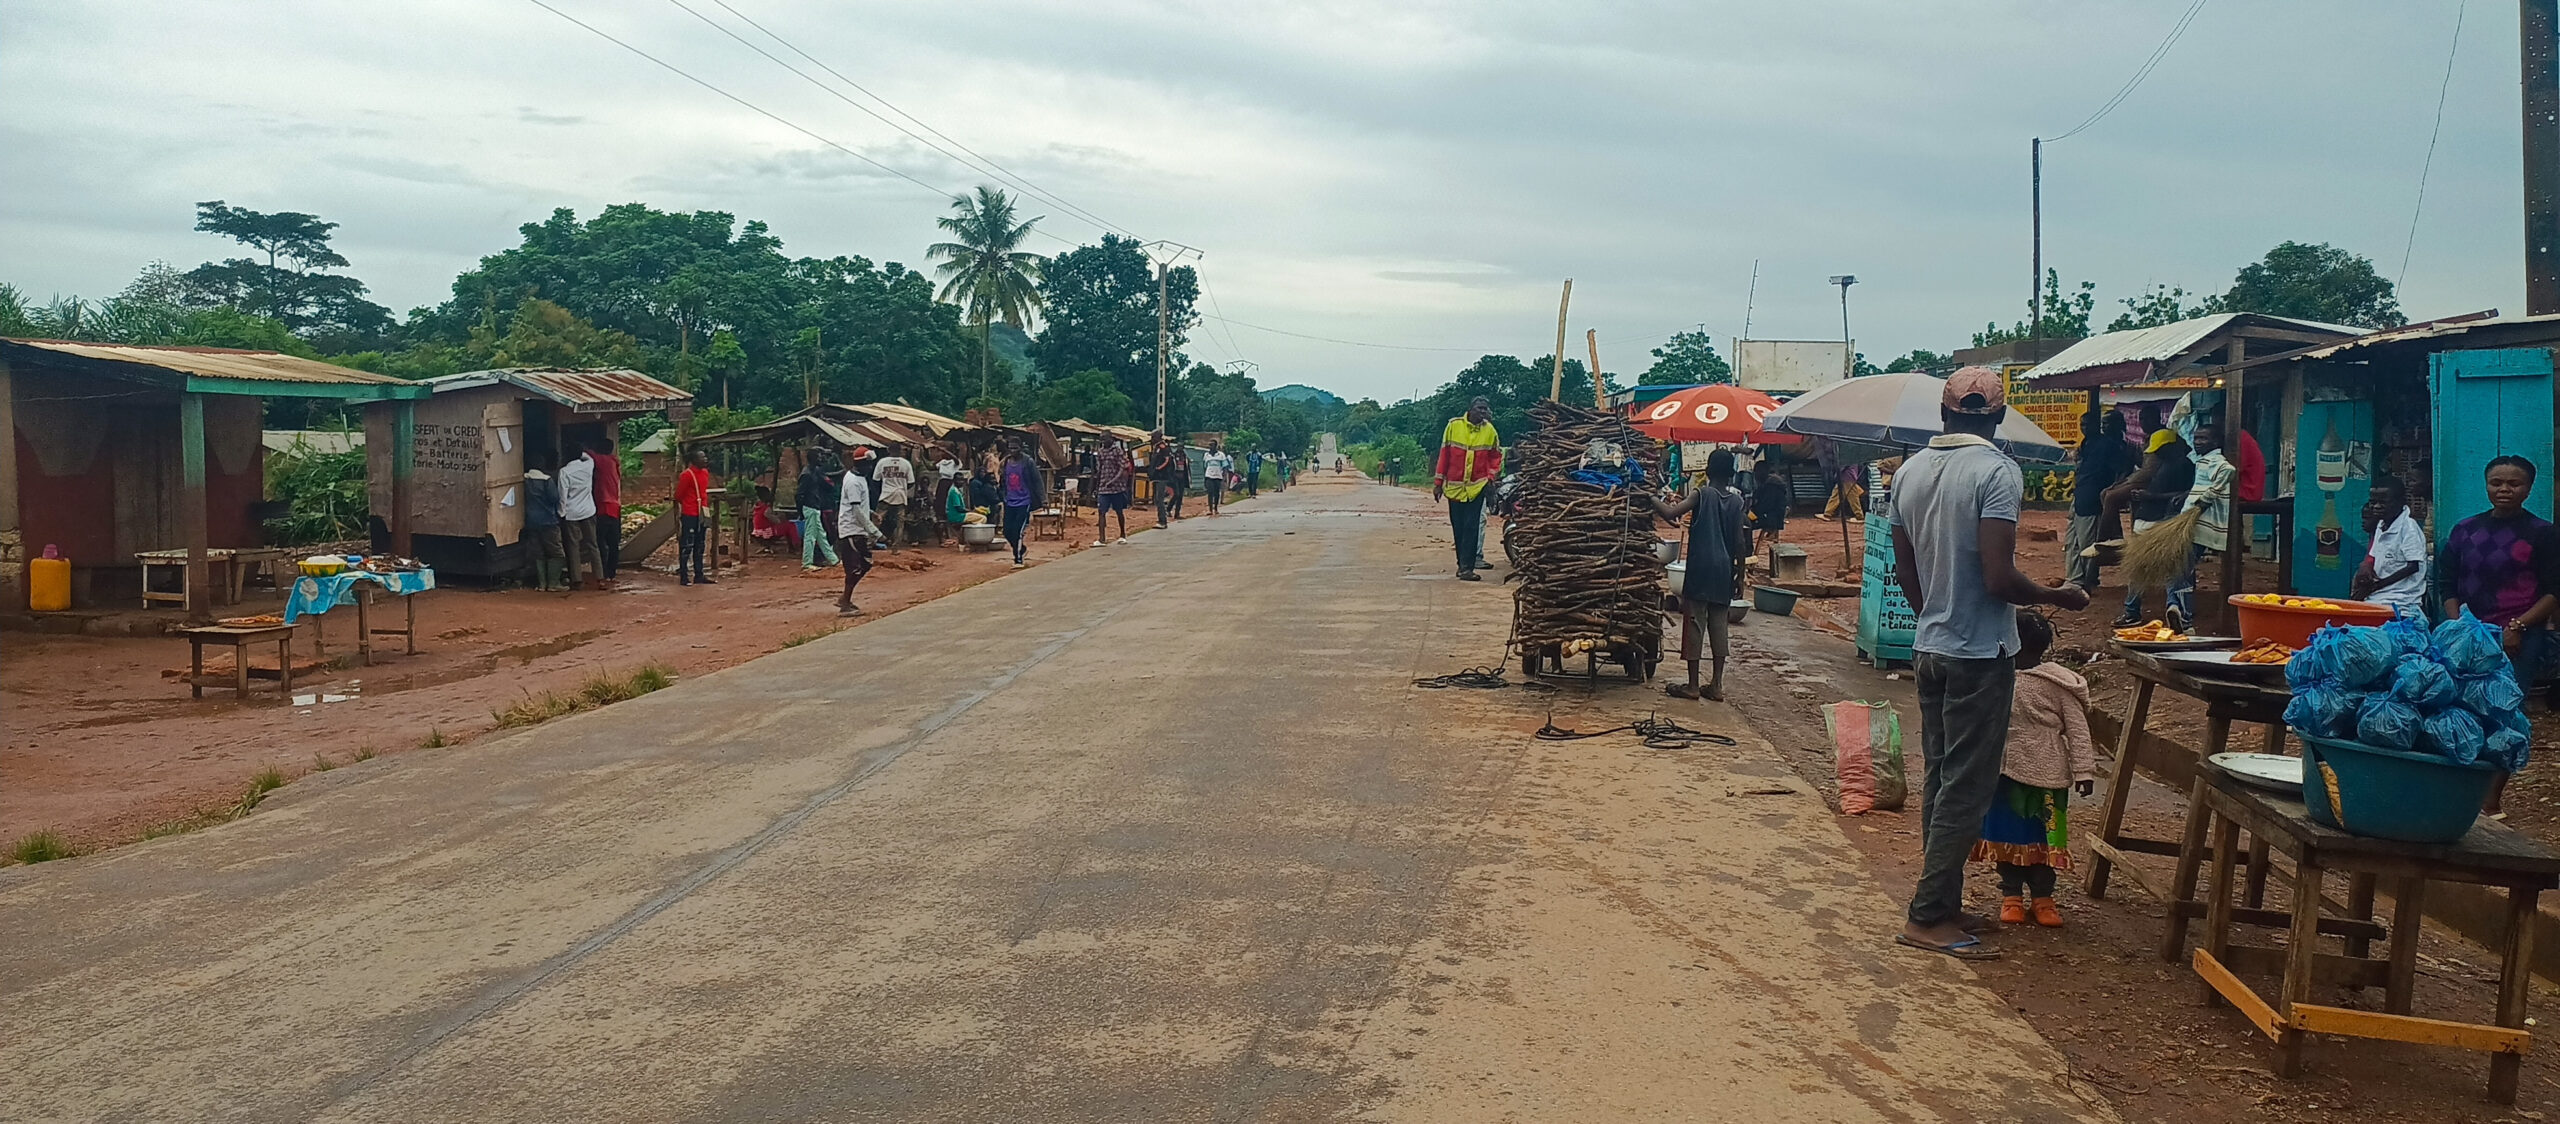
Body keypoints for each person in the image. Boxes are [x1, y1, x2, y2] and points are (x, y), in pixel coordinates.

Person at [1889, 368, 2090, 961]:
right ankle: (1928, 916)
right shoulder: (1997, 471)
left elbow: (1908, 577)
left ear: (1943, 413)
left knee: (1940, 777)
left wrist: (1938, 618)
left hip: (1931, 648)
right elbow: (1999, 576)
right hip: (1978, 656)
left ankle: (1942, 900)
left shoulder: (1907, 473)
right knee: (1967, 788)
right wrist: (2058, 596)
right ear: (1997, 418)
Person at [2442, 455, 2560, 814]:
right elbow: (2446, 581)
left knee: (2505, 716)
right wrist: (2460, 624)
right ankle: (2457, 796)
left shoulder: (2543, 533)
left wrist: (2519, 626)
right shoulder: (2465, 530)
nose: (2504, 489)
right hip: (2468, 637)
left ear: (2528, 488)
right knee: (2459, 710)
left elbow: (2554, 591)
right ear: (2486, 484)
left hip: (2519, 639)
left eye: (2514, 484)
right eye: (2497, 483)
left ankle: (2491, 803)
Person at [1970, 610, 2095, 929]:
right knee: (2004, 836)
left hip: (2047, 778)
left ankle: (2042, 897)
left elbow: (2077, 729)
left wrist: (2084, 770)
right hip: (2002, 774)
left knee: (2044, 840)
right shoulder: (1996, 677)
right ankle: (2011, 895)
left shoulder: (2057, 685)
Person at [1651, 448, 1749, 700]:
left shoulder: (1702, 494)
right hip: (1724, 570)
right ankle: (1716, 684)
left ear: (1707, 470)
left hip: (1700, 568)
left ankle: (1693, 685)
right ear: (1731, 473)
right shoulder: (1737, 502)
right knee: (1719, 625)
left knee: (1694, 623)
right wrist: (1740, 575)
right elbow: (1740, 542)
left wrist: (1646, 497)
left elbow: (1671, 513)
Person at [2110, 427, 2196, 629]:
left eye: (2162, 449)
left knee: (2167, 568)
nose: (2158, 453)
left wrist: (2152, 497)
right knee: (2149, 568)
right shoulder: (2164, 463)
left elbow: (2185, 493)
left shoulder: (2185, 465)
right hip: (2149, 520)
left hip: (2162, 522)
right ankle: (2143, 610)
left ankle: (2170, 608)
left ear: (2173, 446)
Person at [1431, 396, 1502, 581]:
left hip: (1477, 487)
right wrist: (1438, 483)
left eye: (1485, 409)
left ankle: (1467, 568)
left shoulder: (1490, 431)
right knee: (1459, 526)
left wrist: (1490, 477)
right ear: (1470, 409)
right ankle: (1461, 563)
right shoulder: (1453, 426)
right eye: (1479, 408)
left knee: (1472, 526)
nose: (1483, 412)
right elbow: (1444, 455)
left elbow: (1496, 456)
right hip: (1454, 487)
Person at [2065, 411, 2133, 591]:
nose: (2084, 428)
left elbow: (2123, 469)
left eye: (2088, 425)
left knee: (2087, 543)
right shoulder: (2086, 444)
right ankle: (2075, 578)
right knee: (2072, 541)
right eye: (2082, 425)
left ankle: (2087, 581)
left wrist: (2111, 490)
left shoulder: (2108, 445)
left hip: (2092, 497)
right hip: (2080, 494)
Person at [2353, 476, 2429, 619]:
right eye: (2373, 502)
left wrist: (2376, 586)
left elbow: (2413, 566)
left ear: (2400, 502)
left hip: (2401, 604)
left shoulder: (2408, 527)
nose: (2376, 507)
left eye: (2383, 503)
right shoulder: (2381, 527)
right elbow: (2374, 558)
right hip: (2378, 599)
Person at [834, 446, 880, 616]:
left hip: (858, 528)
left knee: (865, 563)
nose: (870, 468)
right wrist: (874, 530)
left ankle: (844, 598)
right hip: (851, 529)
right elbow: (856, 510)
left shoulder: (858, 478)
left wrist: (871, 513)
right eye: (868, 465)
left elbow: (859, 506)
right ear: (861, 465)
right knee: (855, 567)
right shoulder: (853, 481)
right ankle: (845, 603)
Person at [557, 442, 602, 592]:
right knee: (593, 545)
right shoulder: (588, 465)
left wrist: (561, 513)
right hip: (588, 510)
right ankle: (600, 578)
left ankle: (577, 580)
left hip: (571, 513)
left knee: (573, 546)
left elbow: (563, 496)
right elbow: (587, 456)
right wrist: (581, 450)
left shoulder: (564, 472)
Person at [999, 437, 1044, 568]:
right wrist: (1003, 495)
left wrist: (1043, 499)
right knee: (1007, 531)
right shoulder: (1006, 462)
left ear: (1020, 448)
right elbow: (1003, 481)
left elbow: (1037, 480)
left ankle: (1018, 558)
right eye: (1010, 448)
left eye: (1015, 448)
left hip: (1024, 501)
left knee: (1018, 530)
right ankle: (1021, 549)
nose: (1013, 451)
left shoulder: (1028, 462)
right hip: (1010, 501)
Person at [797, 449, 842, 572]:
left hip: (815, 506)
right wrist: (800, 512)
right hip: (810, 507)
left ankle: (833, 559)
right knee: (810, 536)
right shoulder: (806, 474)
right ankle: (807, 563)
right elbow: (799, 494)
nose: (821, 458)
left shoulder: (815, 471)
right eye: (819, 456)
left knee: (821, 535)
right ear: (813, 458)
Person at [674, 448, 714, 586]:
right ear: (694, 460)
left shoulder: (705, 473)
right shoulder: (687, 475)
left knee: (700, 544)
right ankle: (684, 576)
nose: (705, 459)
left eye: (705, 457)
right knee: (687, 545)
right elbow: (678, 495)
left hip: (702, 513)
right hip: (690, 513)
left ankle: (699, 575)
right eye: (702, 457)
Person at [523, 465, 566, 592]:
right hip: (548, 520)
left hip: (531, 521)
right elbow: (554, 498)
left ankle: (542, 584)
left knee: (538, 552)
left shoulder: (525, 480)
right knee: (557, 552)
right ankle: (553, 583)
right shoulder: (546, 480)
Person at [591, 439, 623, 580]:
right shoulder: (613, 461)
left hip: (603, 507)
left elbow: (586, 453)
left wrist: (585, 447)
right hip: (615, 508)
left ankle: (602, 572)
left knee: (600, 542)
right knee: (613, 543)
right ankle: (611, 573)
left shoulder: (602, 461)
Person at [1093, 436, 1134, 545]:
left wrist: (1113, 480)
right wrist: (1097, 485)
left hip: (1117, 487)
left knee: (1119, 511)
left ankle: (1122, 535)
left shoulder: (1118, 451)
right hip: (1103, 487)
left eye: (1105, 439)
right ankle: (1102, 538)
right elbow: (1099, 469)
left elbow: (1122, 467)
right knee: (1101, 511)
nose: (1103, 441)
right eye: (1101, 439)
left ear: (1111, 440)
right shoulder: (1100, 452)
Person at [874, 444, 915, 551]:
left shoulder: (882, 462)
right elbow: (911, 482)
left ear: (888, 450)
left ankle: (870, 543)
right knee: (899, 523)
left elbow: (875, 480)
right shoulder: (906, 464)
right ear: (900, 451)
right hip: (900, 496)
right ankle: (895, 547)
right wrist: (903, 487)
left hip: (885, 495)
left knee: (877, 519)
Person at [1750, 469, 1790, 552]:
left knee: (1746, 525)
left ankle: (1748, 552)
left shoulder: (1771, 486)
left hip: (1772, 518)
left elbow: (1766, 505)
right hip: (1774, 516)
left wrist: (1753, 511)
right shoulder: (1771, 484)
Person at [1149, 434, 1184, 527]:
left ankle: (1162, 521)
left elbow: (1167, 460)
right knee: (1157, 499)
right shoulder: (1156, 447)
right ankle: (1161, 519)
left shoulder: (1163, 447)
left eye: (1153, 437)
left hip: (1162, 476)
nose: (1152, 439)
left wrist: (1159, 468)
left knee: (1159, 499)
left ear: (1158, 437)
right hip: (1157, 477)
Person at [1203, 438, 1234, 515]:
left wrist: (1224, 477)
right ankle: (1210, 509)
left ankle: (1216, 508)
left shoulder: (1221, 455)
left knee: (1216, 493)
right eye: (1209, 445)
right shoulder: (1206, 455)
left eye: (1212, 445)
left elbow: (1225, 467)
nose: (1210, 447)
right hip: (1209, 475)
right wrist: (1205, 476)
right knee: (1210, 492)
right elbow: (1204, 466)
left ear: (1216, 446)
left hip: (1218, 476)